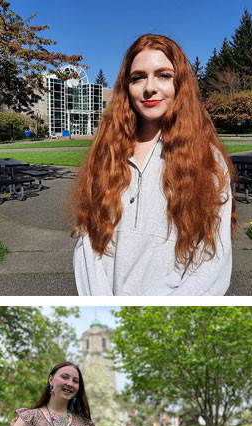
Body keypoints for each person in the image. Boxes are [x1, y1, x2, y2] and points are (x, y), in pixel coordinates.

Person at [71, 34, 236, 296]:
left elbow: (213, 259)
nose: (150, 87)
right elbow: (87, 242)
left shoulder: (208, 160)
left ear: (180, 83)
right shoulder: (107, 155)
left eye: (163, 75)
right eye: (138, 77)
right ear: (127, 87)